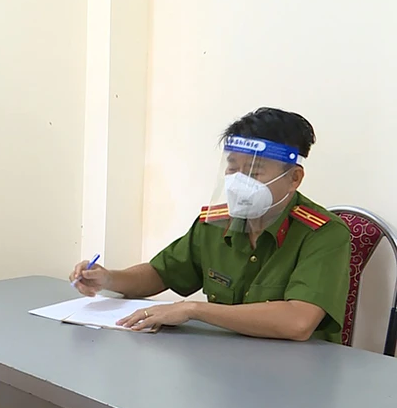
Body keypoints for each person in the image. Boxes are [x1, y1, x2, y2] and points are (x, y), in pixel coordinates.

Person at [70, 108, 351, 342]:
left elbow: (298, 321)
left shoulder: (324, 233)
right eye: (233, 168)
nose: (239, 181)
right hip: (222, 363)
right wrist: (109, 279)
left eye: (254, 171)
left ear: (294, 178)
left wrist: (194, 310)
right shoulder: (216, 224)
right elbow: (160, 273)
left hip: (297, 373)